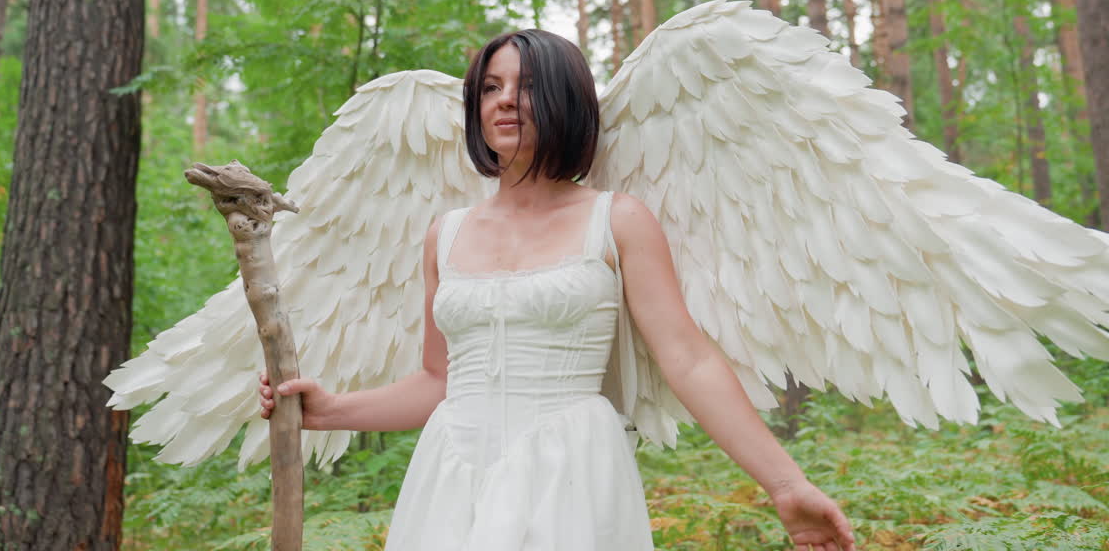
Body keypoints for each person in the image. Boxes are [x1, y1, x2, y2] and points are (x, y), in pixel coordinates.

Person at [259, 29, 856, 551]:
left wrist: (786, 486)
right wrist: (331, 411)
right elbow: (440, 382)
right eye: (490, 88)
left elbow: (689, 359)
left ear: (567, 101)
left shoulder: (616, 220)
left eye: (527, 86)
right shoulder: (445, 233)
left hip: (568, 469)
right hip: (452, 469)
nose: (506, 101)